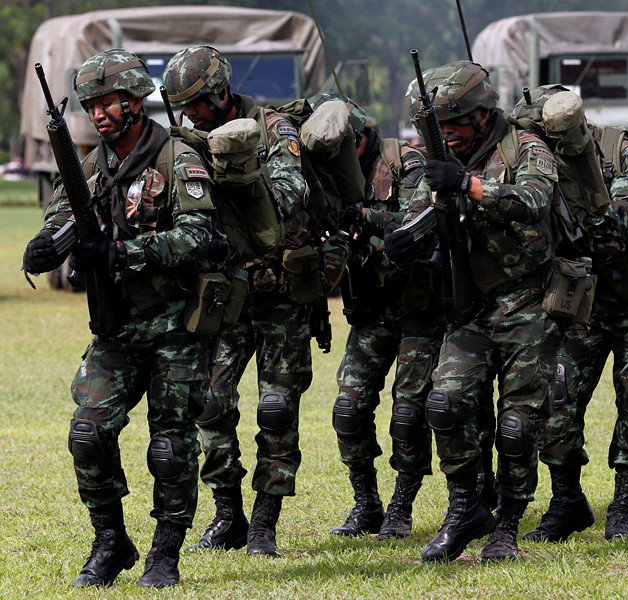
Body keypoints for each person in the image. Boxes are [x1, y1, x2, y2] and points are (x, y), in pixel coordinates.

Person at [22, 49, 215, 587]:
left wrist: (122, 252)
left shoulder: (177, 158)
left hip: (175, 325)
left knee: (171, 446)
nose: (97, 114)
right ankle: (110, 541)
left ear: (134, 99)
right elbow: (63, 217)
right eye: (90, 105)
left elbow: (201, 237)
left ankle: (165, 554)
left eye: (106, 102)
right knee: (88, 432)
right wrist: (46, 246)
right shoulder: (88, 165)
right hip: (116, 328)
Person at [392, 61, 562, 562]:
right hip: (469, 306)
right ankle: (465, 506)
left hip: (527, 300)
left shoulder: (524, 147)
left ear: (482, 115)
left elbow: (535, 198)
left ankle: (507, 521)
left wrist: (469, 184)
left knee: (517, 424)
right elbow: (416, 212)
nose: (448, 134)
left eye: (455, 124)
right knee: (444, 402)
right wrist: (402, 238)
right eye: (439, 127)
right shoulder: (439, 158)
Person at [162, 45, 309, 557]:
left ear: (221, 93)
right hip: (225, 293)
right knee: (210, 403)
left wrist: (236, 170)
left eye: (196, 105)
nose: (190, 116)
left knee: (276, 408)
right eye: (182, 108)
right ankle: (228, 516)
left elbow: (291, 194)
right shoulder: (188, 142)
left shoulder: (274, 129)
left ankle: (265, 524)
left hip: (280, 293)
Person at [521, 90, 628, 542]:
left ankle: (623, 508)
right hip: (579, 292)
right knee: (557, 392)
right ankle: (567, 502)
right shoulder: (534, 161)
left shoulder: (621, 151)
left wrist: (583, 205)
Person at [324, 95, 445, 540]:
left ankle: (401, 507)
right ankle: (367, 504)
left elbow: (415, 222)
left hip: (418, 305)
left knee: (409, 413)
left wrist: (363, 217)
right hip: (371, 308)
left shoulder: (405, 161)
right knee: (348, 408)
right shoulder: (327, 173)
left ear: (359, 138)